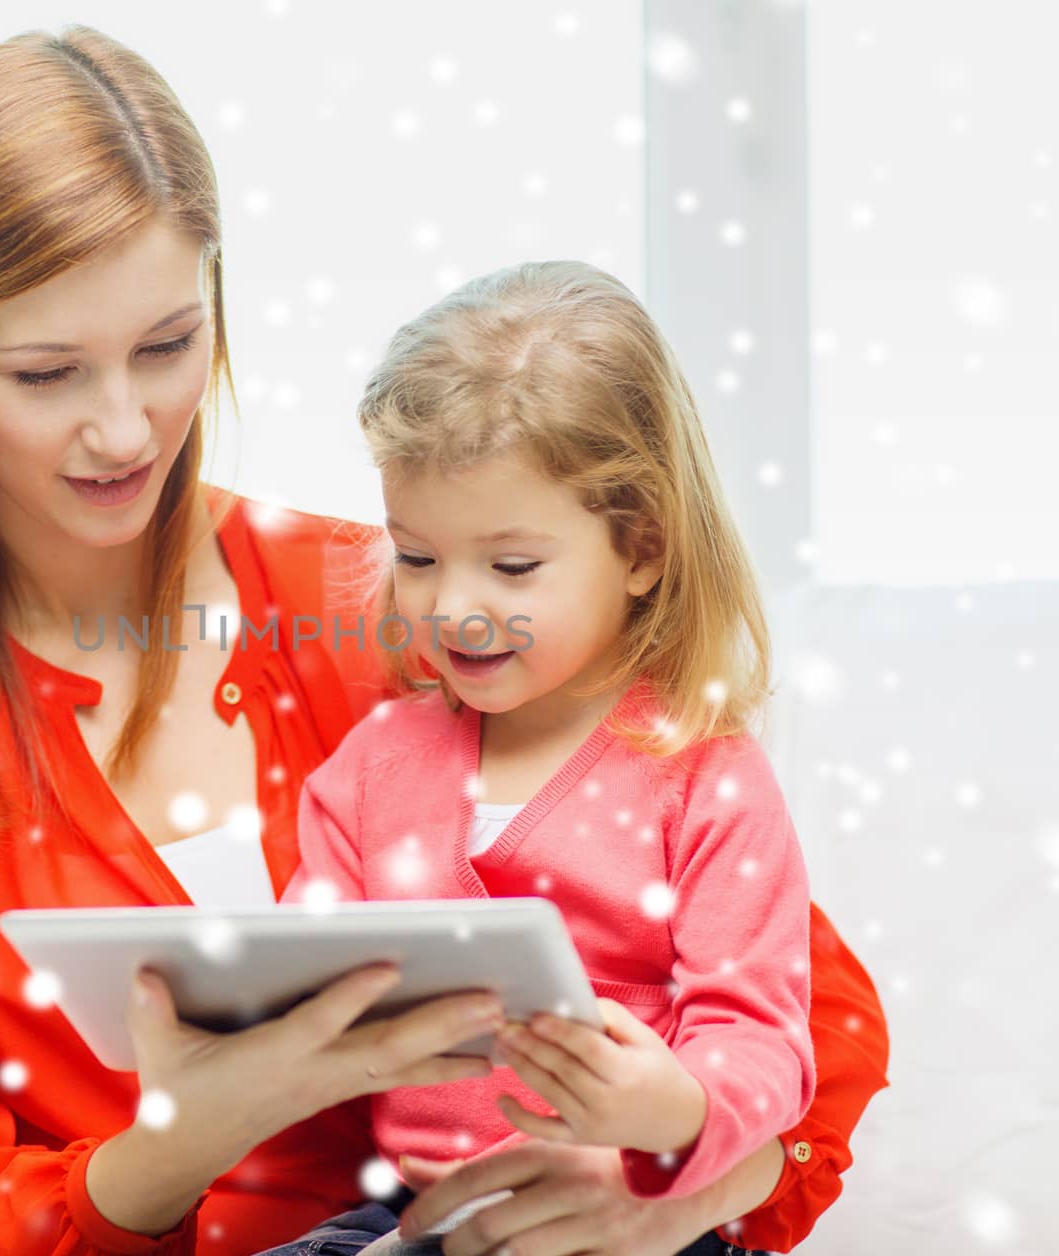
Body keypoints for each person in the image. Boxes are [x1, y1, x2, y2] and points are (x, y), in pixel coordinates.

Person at [0, 26, 890, 1256]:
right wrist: (178, 1144)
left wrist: (675, 1192)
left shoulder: (406, 597)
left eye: (169, 346)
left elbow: (823, 1024)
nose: (124, 430)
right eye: (47, 371)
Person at [261, 260, 821, 1256]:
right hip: (414, 1210)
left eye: (512, 566)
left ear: (641, 548)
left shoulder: (702, 775)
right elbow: (307, 976)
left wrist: (674, 1108)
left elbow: (763, 1037)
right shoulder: (372, 764)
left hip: (635, 1215)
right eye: (418, 556)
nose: (452, 605)